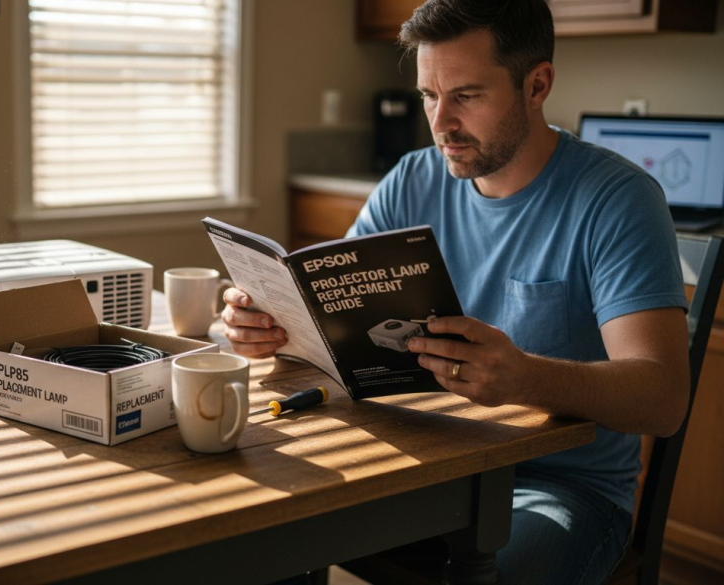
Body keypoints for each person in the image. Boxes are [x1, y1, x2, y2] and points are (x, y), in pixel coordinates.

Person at [222, 0, 691, 582]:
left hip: (558, 488)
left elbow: (664, 397)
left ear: (537, 84)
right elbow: (332, 317)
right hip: (421, 463)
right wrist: (271, 324)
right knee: (264, 533)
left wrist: (526, 377)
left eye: (466, 95)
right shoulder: (412, 180)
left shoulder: (616, 200)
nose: (440, 122)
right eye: (428, 96)